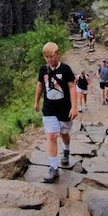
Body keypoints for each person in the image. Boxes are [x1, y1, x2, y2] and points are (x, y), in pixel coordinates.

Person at [34, 42, 78, 183]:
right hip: (49, 109)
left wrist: (74, 107)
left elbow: (72, 87)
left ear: (58, 55)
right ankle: (53, 168)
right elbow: (40, 85)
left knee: (64, 133)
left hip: (64, 108)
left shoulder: (65, 69)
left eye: (52, 56)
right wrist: (36, 102)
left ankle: (66, 150)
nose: (49, 59)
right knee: (52, 136)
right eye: (47, 57)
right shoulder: (43, 70)